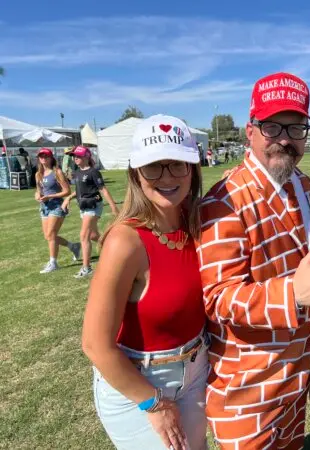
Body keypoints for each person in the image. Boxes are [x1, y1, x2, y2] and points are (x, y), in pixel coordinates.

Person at [197, 72, 310, 450]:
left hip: (298, 377)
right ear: (250, 131)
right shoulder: (225, 200)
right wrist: (292, 294)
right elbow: (218, 296)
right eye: (272, 127)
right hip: (247, 389)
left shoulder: (303, 186)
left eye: (295, 127)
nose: (285, 139)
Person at [81, 115, 209, 450]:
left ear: (193, 170)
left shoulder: (197, 222)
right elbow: (95, 345)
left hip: (195, 372)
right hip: (140, 383)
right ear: (136, 174)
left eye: (177, 164)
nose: (166, 177)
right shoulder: (125, 242)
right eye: (153, 167)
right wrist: (152, 402)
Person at [63, 146, 118, 278]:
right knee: (93, 235)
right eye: (74, 156)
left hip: (93, 206)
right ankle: (112, 247)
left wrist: (113, 207)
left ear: (87, 157)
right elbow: (80, 191)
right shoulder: (76, 172)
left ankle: (86, 268)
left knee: (84, 235)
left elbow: (103, 189)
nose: (76, 158)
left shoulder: (94, 172)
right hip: (83, 207)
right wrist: (68, 198)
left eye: (79, 156)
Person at [35, 148, 80, 273]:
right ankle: (73, 246)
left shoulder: (57, 172)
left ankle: (53, 263)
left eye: (46, 156)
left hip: (56, 207)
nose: (43, 158)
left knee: (51, 235)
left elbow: (67, 191)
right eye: (41, 156)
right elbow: (38, 191)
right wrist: (37, 196)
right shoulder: (38, 174)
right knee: (48, 236)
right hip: (44, 207)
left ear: (51, 157)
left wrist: (50, 196)